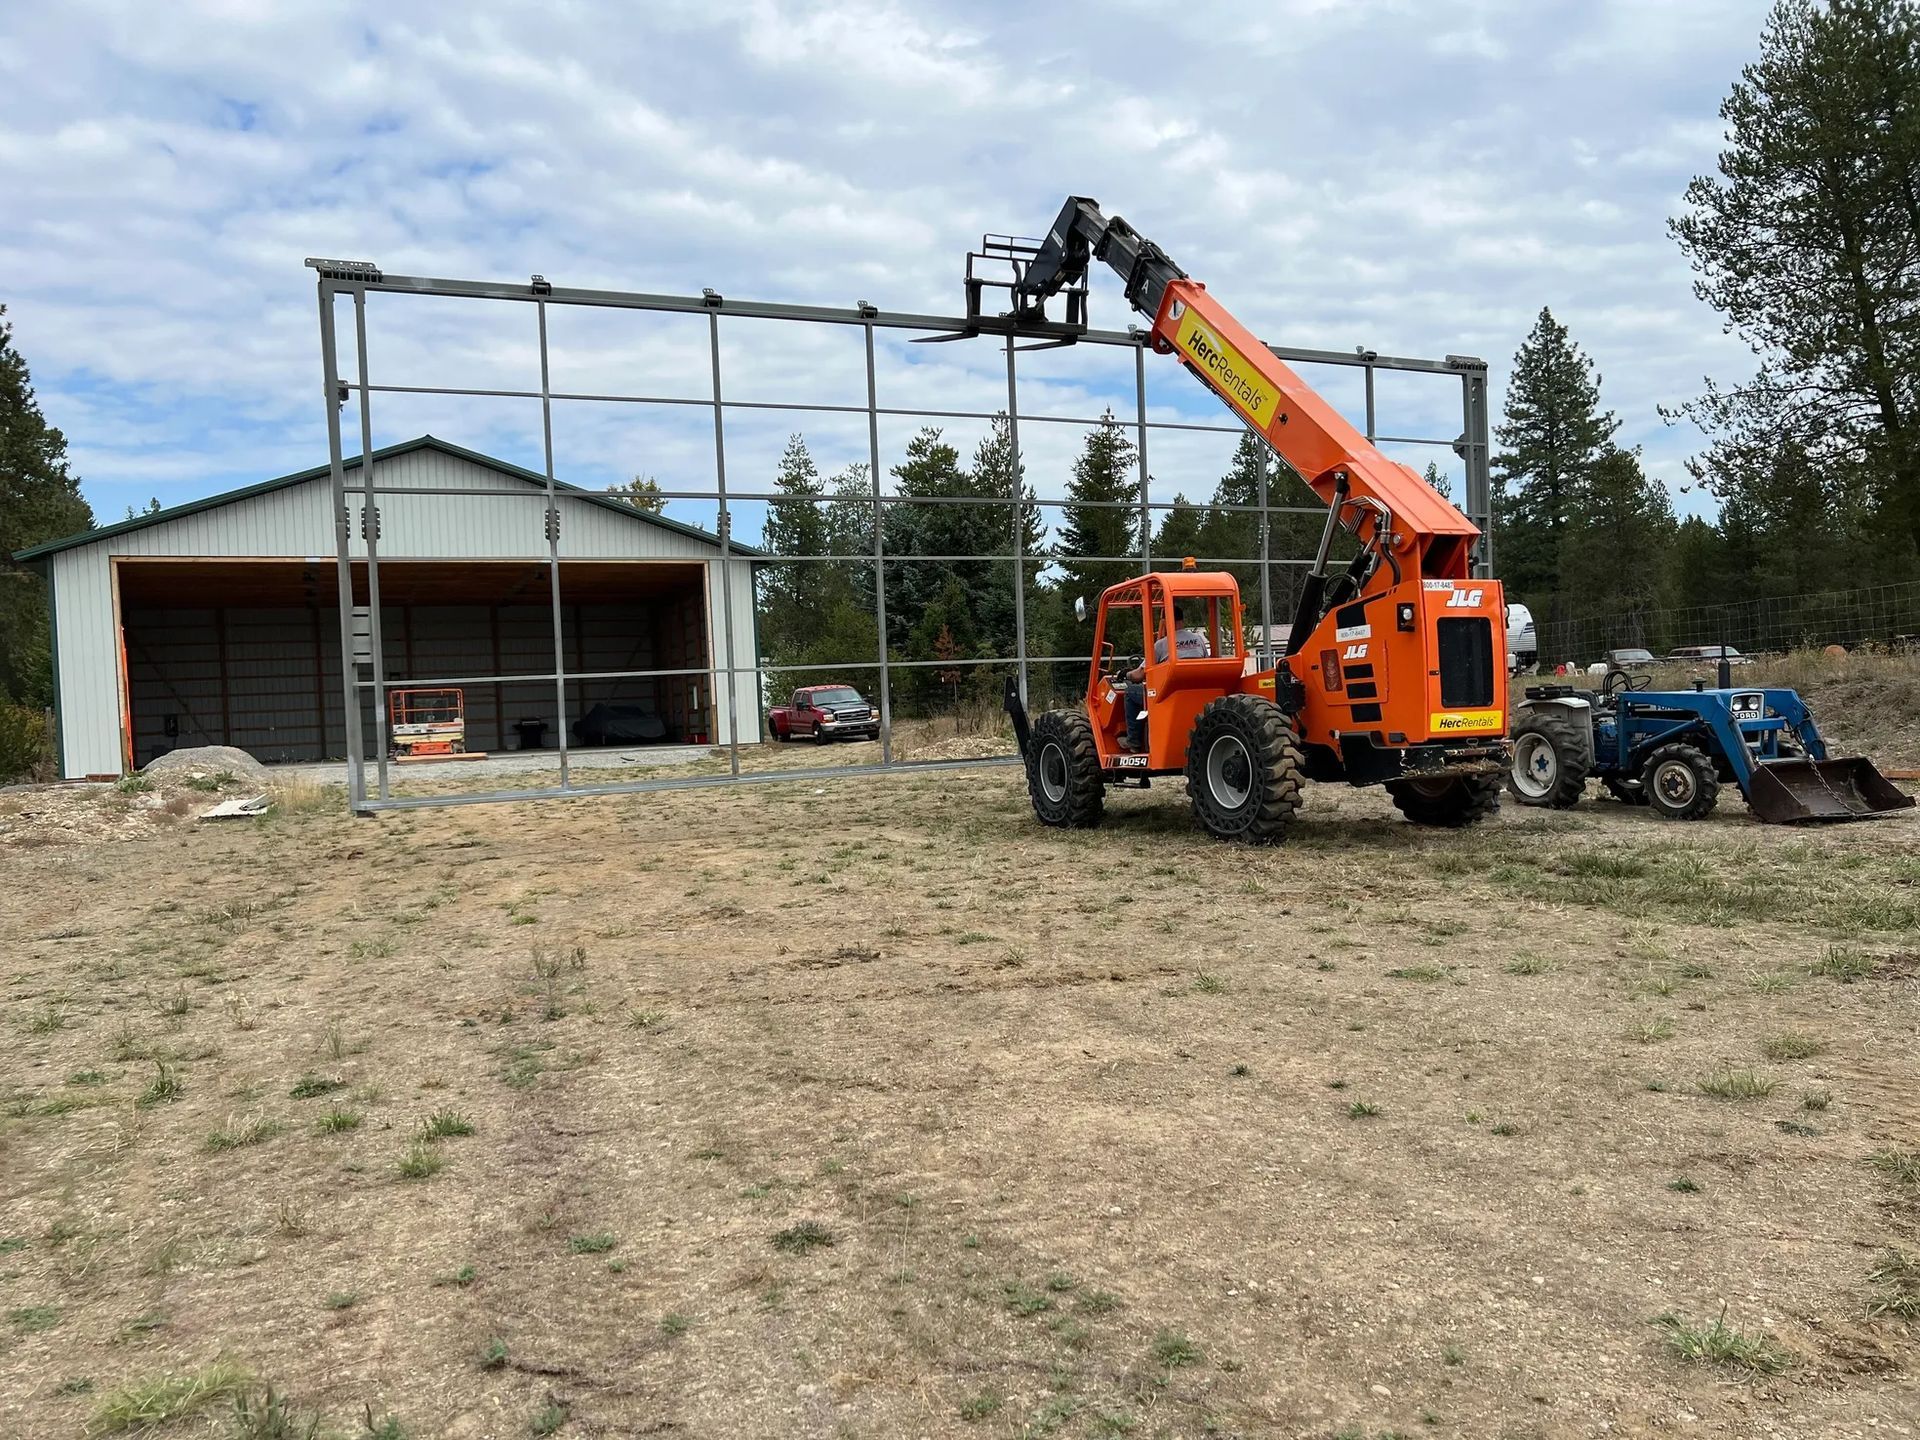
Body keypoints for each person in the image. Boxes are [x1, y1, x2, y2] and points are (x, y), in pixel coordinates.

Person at [1120, 614, 1210, 752]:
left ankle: (1133, 742)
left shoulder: (1162, 644)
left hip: (1166, 694)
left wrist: (1125, 674)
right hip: (1196, 691)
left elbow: (1139, 675)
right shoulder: (1198, 640)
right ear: (1182, 620)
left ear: (1167, 621)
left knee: (1130, 692)